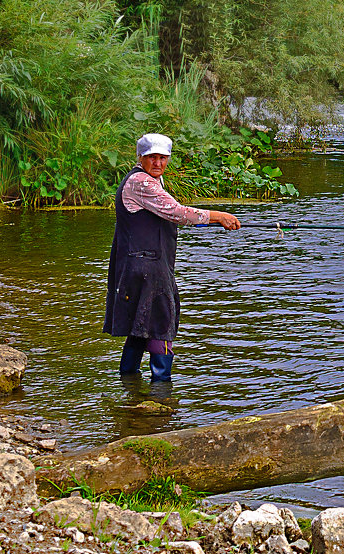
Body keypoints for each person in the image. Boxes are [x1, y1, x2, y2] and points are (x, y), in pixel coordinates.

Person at [103, 133, 241, 382]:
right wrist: (218, 215)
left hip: (141, 264)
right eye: (151, 157)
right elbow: (176, 211)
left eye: (162, 158)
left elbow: (169, 214)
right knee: (159, 324)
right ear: (140, 158)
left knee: (140, 326)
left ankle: (129, 386)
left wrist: (210, 221)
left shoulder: (150, 181)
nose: (158, 163)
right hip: (146, 268)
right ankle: (161, 390)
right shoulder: (141, 183)